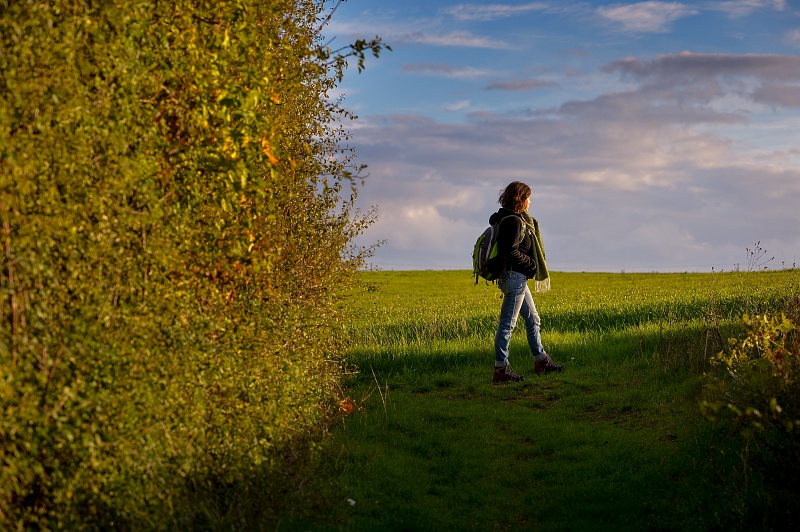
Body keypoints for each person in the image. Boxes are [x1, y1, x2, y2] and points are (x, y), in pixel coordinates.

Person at [489, 181, 564, 382]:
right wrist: (531, 264)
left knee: (533, 319)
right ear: (520, 199)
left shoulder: (511, 219)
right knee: (507, 324)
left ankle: (541, 361)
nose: (531, 201)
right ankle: (501, 369)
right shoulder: (513, 221)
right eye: (528, 197)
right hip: (514, 278)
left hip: (515, 278)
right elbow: (509, 251)